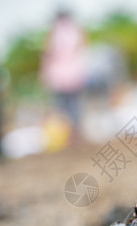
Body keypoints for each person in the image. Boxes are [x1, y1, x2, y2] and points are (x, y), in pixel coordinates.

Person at [39, 10, 86, 143]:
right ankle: (76, 134)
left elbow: (47, 53)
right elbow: (82, 50)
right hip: (75, 74)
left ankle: (66, 135)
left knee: (61, 106)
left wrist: (44, 73)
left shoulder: (54, 32)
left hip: (58, 76)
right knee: (75, 106)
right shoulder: (77, 31)